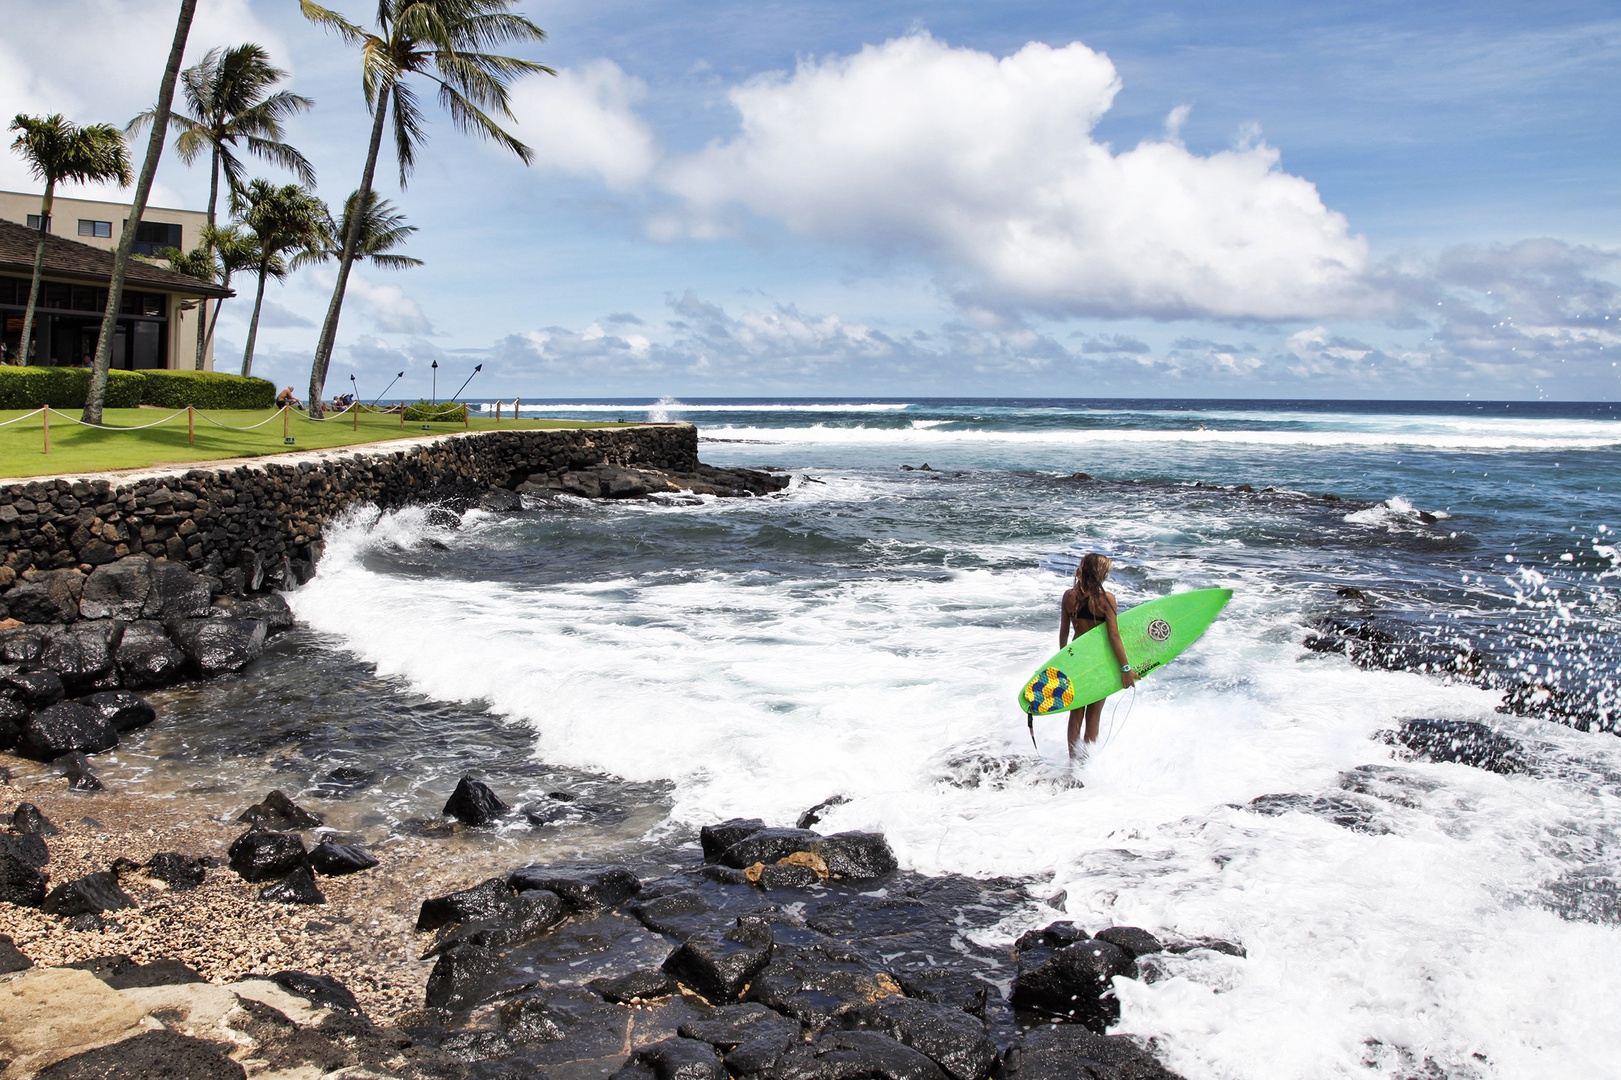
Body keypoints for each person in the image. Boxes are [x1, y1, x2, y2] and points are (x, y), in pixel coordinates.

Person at [1058, 553, 1136, 759]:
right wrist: (1126, 669)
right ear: (1100, 573)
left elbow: (1064, 632)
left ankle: (1072, 761)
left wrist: (1061, 662)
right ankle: (1087, 763)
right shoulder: (1106, 600)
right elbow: (1114, 636)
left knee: (1076, 712)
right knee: (1094, 714)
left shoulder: (1068, 597)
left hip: (1075, 660)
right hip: (1098, 661)